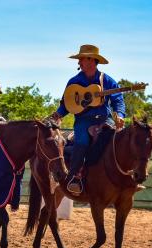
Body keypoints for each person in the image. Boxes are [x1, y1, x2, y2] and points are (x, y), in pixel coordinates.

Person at [50, 44, 125, 195]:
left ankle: (125, 177)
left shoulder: (107, 81)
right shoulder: (74, 82)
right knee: (82, 140)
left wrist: (120, 115)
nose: (79, 63)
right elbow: (67, 104)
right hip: (84, 121)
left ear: (92, 60)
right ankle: (74, 177)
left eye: (81, 59)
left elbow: (118, 100)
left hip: (106, 118)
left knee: (116, 139)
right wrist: (58, 114)